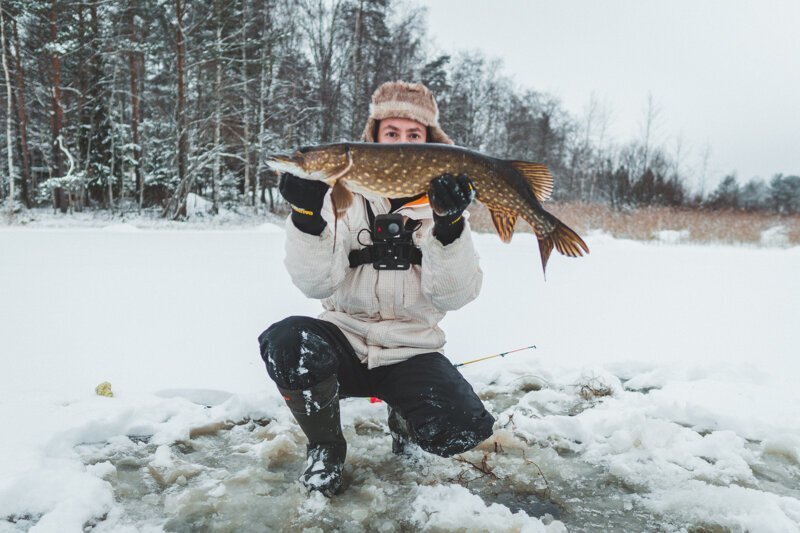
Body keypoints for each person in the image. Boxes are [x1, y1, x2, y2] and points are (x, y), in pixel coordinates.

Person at [258, 81, 494, 496]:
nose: (401, 142)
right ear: (373, 138)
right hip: (345, 340)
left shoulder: (444, 209)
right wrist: (306, 217)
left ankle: (404, 419)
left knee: (462, 430)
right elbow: (316, 284)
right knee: (288, 340)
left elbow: (454, 296)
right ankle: (326, 446)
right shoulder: (340, 199)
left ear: (430, 144)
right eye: (392, 133)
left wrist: (450, 225)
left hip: (411, 348)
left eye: (413, 135)